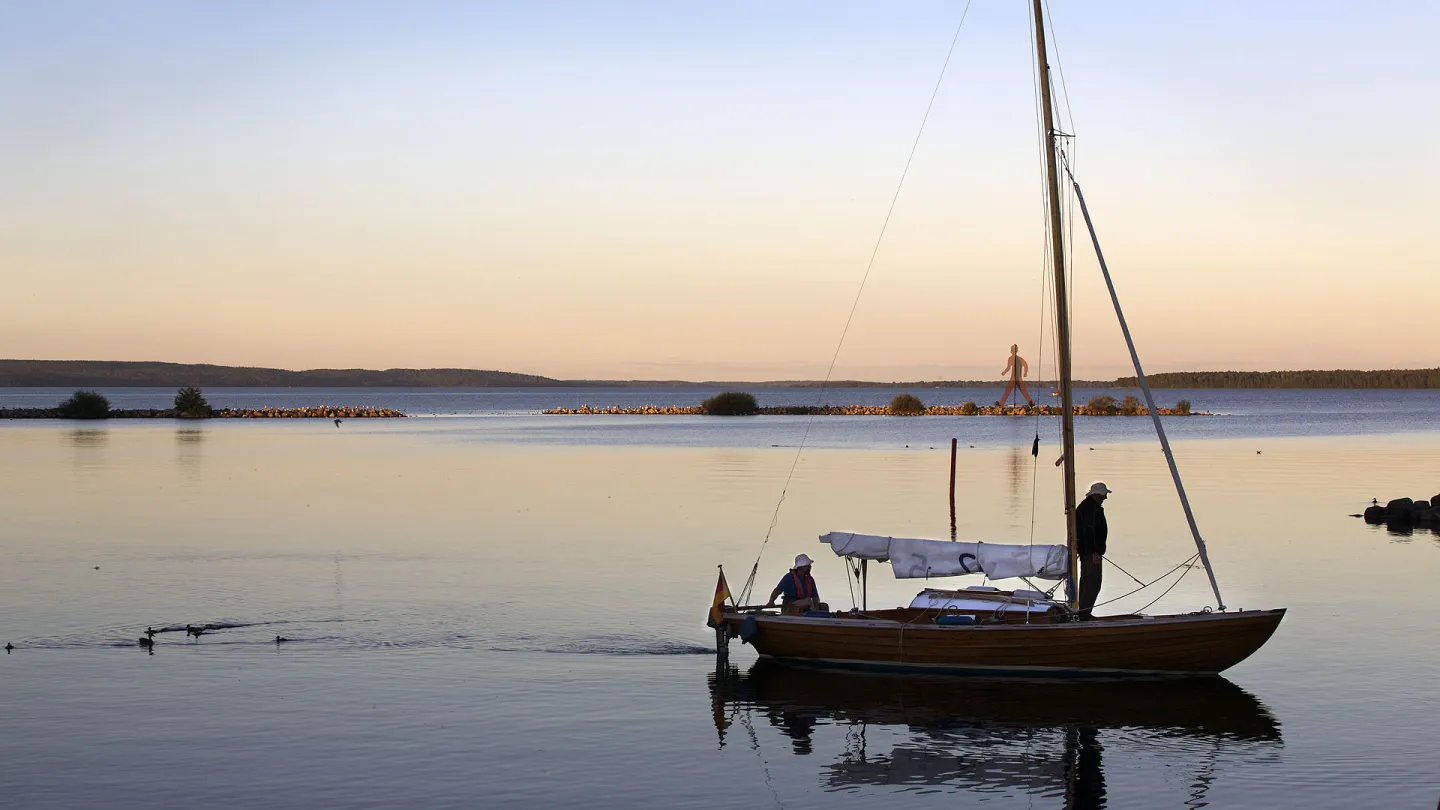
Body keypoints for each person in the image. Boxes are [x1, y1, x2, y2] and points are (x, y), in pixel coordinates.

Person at [1075, 481, 1110, 620]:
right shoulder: (1091, 509)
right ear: (1098, 495)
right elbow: (1090, 531)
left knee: (1086, 580)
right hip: (1091, 552)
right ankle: (1084, 614)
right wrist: (1095, 551)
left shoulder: (1087, 506)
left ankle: (1083, 612)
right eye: (1104, 495)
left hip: (1086, 551)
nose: (1105, 498)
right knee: (1093, 582)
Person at [764, 554, 828, 615]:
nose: (810, 567)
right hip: (790, 606)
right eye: (807, 566)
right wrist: (771, 601)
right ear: (800, 567)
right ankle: (814, 616)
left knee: (824, 606)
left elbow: (815, 597)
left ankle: (820, 618)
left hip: (807, 606)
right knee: (808, 601)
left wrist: (817, 608)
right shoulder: (789, 577)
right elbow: (777, 591)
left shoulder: (810, 580)